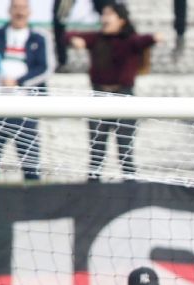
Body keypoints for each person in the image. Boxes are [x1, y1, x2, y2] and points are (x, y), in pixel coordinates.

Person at [66, 2, 160, 182]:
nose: (105, 18)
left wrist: (156, 37)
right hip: (99, 96)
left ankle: (131, 193)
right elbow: (68, 36)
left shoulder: (130, 41)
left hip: (124, 97)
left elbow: (146, 39)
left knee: (125, 152)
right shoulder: (97, 38)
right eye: (104, 14)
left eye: (110, 15)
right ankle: (92, 194)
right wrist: (73, 40)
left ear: (121, 20)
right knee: (96, 153)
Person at [0, 0, 52, 182]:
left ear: (29, 11)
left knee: (30, 165)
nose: (19, 12)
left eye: (23, 8)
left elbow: (45, 68)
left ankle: (35, 206)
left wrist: (18, 82)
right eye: (16, 8)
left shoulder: (39, 38)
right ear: (9, 11)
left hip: (25, 110)